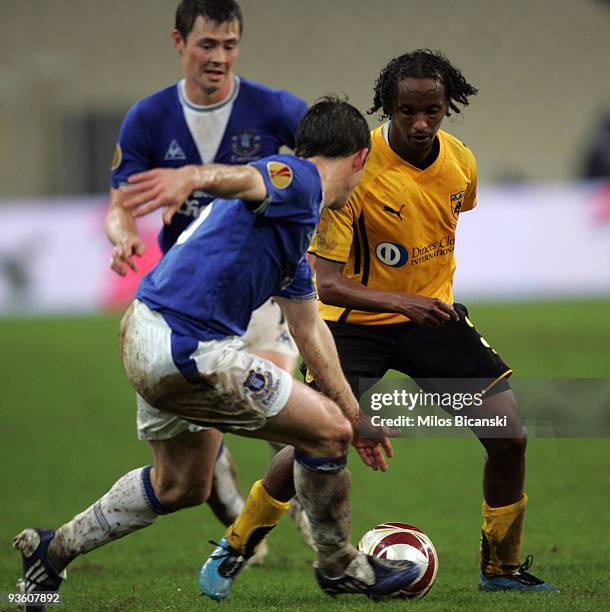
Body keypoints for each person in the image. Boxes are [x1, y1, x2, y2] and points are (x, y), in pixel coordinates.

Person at [14, 98, 421, 603]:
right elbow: (251, 178)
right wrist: (191, 177)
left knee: (181, 485)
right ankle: (340, 564)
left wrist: (357, 414)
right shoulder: (300, 179)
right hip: (190, 344)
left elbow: (310, 329)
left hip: (145, 331)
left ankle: (50, 553)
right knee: (327, 434)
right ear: (360, 158)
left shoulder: (291, 232)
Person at [201, 49, 558, 597]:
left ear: (447, 106)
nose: (420, 123)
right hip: (352, 326)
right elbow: (327, 281)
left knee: (508, 436)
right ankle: (237, 545)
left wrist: (421, 303)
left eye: (432, 111)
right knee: (315, 441)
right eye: (407, 110)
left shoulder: (461, 161)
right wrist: (402, 300)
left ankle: (502, 570)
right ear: (388, 105)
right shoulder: (357, 166)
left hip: (430, 320)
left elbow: (437, 232)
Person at [104, 0, 312, 551]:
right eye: (207, 45)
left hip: (262, 293)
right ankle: (226, 492)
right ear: (179, 43)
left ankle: (316, 528)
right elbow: (120, 203)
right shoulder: (149, 118)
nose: (219, 57)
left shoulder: (274, 108)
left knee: (285, 403)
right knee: (195, 479)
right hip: (192, 301)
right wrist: (123, 233)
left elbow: (323, 162)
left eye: (229, 45)